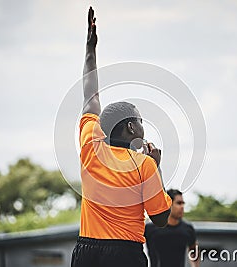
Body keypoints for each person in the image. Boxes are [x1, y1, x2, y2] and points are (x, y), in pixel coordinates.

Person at [70, 7, 172, 267]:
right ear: (129, 128)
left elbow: (90, 96)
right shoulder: (144, 164)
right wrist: (157, 169)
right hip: (125, 253)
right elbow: (161, 218)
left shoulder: (91, 146)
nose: (142, 127)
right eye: (140, 121)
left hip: (86, 251)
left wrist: (90, 50)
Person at [145, 189, 200, 267]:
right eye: (178, 203)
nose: (182, 207)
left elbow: (194, 250)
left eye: (183, 203)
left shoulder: (187, 228)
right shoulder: (150, 228)